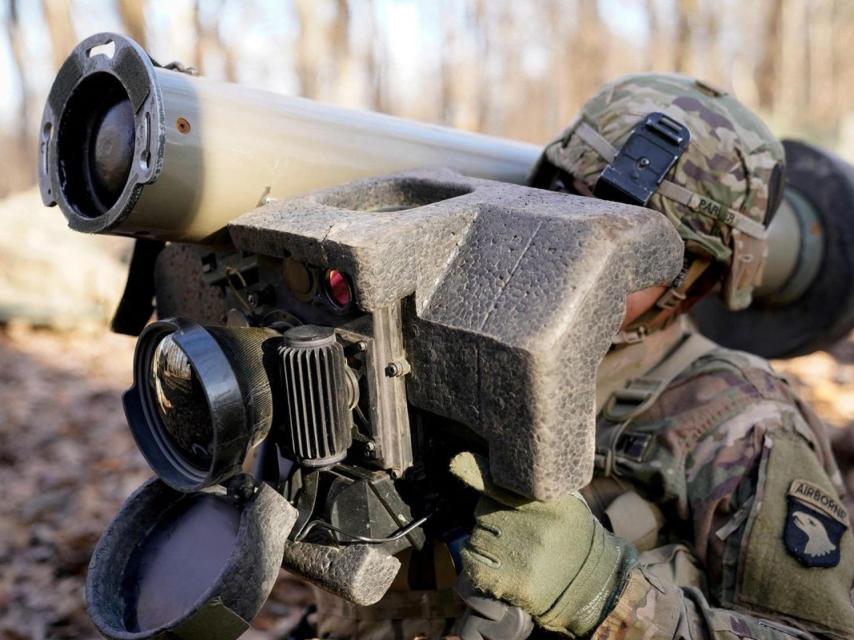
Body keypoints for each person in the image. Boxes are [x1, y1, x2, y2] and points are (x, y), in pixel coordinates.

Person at [308, 74, 854, 639]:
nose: (575, 249)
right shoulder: (429, 334)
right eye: (566, 204)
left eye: (635, 246)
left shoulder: (740, 423)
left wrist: (605, 597)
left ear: (701, 282)